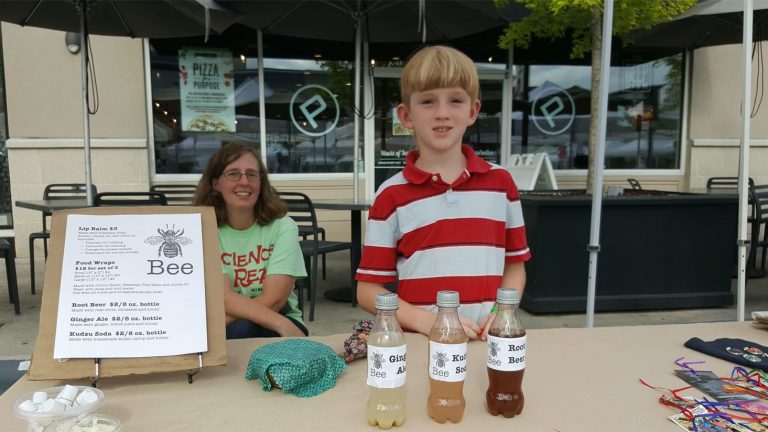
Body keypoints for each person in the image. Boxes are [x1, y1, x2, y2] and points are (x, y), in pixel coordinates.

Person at [355, 46, 531, 340]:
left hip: (487, 341)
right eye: (427, 101)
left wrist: (503, 313)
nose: (442, 113)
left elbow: (515, 265)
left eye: (455, 100)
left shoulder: (501, 183)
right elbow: (368, 290)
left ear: (473, 111)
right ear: (406, 115)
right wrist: (427, 322)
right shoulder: (391, 195)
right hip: (420, 342)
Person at [194, 143, 308, 339]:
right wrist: (281, 324)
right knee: (241, 328)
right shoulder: (204, 229)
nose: (244, 182)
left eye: (252, 174)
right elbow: (224, 298)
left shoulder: (282, 226)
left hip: (280, 317)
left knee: (243, 328)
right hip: (277, 323)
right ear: (215, 183)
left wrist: (217, 322)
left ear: (261, 183)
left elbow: (274, 301)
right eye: (233, 174)